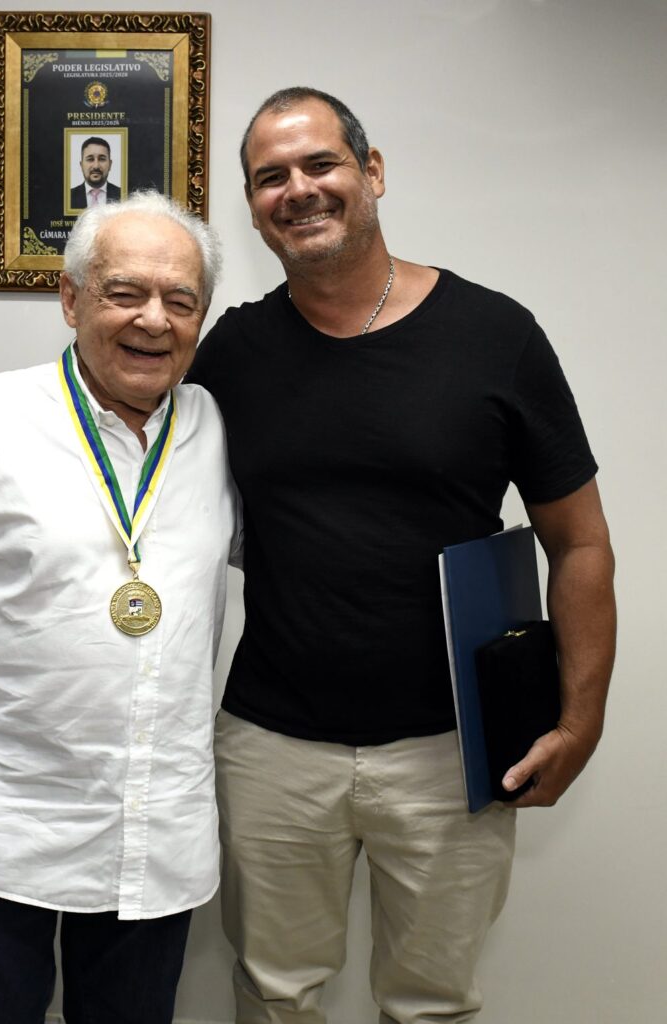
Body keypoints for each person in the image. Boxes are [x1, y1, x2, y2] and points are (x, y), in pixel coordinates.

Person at [186, 87, 616, 1024]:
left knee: (431, 1006)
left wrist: (578, 720)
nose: (298, 189)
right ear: (252, 207)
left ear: (371, 172)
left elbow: (579, 543)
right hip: (269, 747)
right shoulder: (234, 351)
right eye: (270, 177)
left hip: (452, 750)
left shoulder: (495, 336)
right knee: (271, 995)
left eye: (320, 163)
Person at [0, 190, 239, 1024]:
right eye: (124, 292)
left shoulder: (214, 427)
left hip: (153, 817)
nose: (153, 320)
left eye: (180, 301)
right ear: (71, 299)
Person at [70, 136, 121, 208]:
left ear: (110, 164)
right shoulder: (68, 197)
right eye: (90, 159)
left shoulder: (123, 196)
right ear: (81, 165)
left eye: (102, 159)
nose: (96, 166)